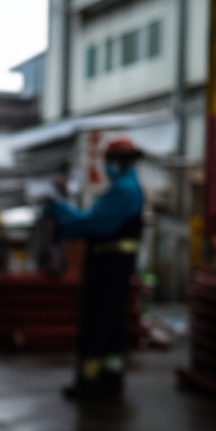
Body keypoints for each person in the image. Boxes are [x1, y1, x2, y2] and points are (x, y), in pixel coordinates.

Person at [44, 137, 144, 399]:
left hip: (107, 269)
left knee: (95, 323)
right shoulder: (126, 187)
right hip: (116, 268)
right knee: (113, 323)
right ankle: (111, 378)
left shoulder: (124, 190)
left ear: (116, 162)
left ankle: (88, 383)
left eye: (108, 161)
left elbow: (93, 223)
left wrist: (58, 210)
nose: (106, 167)